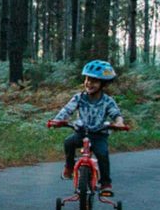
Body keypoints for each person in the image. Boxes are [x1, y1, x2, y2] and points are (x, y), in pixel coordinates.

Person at [50, 60, 126, 197]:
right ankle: (69, 166)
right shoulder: (79, 98)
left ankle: (105, 183)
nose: (89, 83)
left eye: (94, 81)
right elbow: (67, 110)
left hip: (99, 134)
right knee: (68, 142)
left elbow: (116, 114)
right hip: (81, 132)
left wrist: (119, 123)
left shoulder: (107, 101)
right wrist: (57, 120)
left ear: (103, 84)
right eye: (87, 79)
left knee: (102, 154)